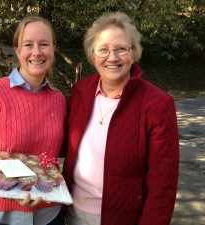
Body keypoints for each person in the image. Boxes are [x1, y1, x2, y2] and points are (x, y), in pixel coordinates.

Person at [62, 11, 179, 225]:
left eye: (121, 49)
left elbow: (163, 184)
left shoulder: (158, 105)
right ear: (92, 55)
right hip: (72, 213)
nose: (112, 57)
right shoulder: (81, 91)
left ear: (134, 52)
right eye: (103, 50)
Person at [0, 15, 66, 225]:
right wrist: (13, 188)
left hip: (49, 212)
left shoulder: (59, 99)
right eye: (28, 44)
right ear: (17, 49)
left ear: (53, 49)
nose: (37, 52)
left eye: (44, 44)